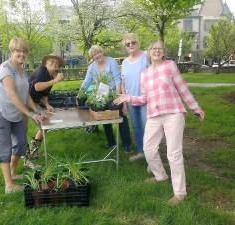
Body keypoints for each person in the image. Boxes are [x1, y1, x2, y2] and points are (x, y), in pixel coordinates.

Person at [114, 40, 205, 205]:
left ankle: (179, 193)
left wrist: (195, 108)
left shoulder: (170, 65)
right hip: (154, 115)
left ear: (163, 52)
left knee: (173, 153)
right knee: (148, 149)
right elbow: (144, 98)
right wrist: (128, 97)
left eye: (159, 49)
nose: (156, 51)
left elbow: (182, 87)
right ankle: (161, 176)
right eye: (153, 48)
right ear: (149, 52)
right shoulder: (145, 73)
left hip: (173, 114)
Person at [0, 38, 43, 194]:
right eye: (18, 51)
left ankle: (12, 172)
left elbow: (25, 94)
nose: (21, 54)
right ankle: (9, 185)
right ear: (11, 51)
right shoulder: (5, 68)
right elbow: (12, 95)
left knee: (20, 143)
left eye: (24, 51)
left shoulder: (21, 69)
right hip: (0, 109)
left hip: (17, 110)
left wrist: (37, 110)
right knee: (4, 146)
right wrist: (29, 113)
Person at [82, 45, 132, 153]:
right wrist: (81, 93)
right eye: (94, 55)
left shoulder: (111, 62)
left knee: (121, 116)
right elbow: (86, 82)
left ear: (102, 52)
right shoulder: (91, 67)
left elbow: (117, 79)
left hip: (114, 92)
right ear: (92, 57)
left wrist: (118, 96)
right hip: (101, 93)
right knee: (104, 116)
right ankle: (111, 142)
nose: (97, 56)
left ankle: (127, 144)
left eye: (98, 53)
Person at [27, 54, 64, 164]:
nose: (54, 63)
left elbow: (44, 94)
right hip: (26, 101)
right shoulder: (42, 71)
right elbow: (37, 87)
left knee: (44, 125)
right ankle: (30, 155)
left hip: (35, 102)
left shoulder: (51, 75)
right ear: (45, 63)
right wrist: (55, 80)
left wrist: (47, 105)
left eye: (56, 62)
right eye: (51, 61)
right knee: (42, 124)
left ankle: (33, 152)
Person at [121, 33, 149, 161]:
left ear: (138, 43)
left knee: (148, 129)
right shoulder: (125, 62)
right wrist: (125, 102)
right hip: (131, 101)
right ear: (125, 46)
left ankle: (152, 157)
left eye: (133, 42)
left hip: (146, 100)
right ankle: (141, 152)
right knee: (137, 127)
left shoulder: (146, 57)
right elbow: (123, 82)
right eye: (128, 44)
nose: (131, 45)